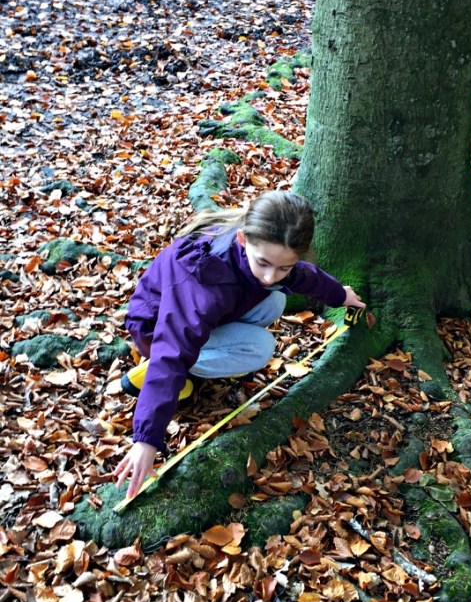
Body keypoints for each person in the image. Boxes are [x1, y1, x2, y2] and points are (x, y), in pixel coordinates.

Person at [113, 190, 365, 499]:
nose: (271, 275)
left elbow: (303, 276)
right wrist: (147, 440)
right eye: (264, 264)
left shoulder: (264, 249)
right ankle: (179, 373)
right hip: (158, 333)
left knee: (275, 298)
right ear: (244, 240)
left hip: (209, 315)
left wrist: (341, 295)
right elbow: (172, 352)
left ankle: (197, 362)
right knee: (259, 348)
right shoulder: (203, 280)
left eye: (283, 267)